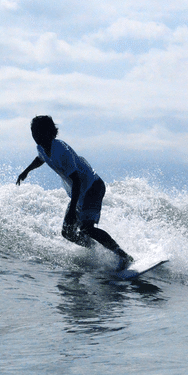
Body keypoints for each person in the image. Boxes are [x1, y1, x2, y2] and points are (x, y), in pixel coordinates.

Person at [16, 115, 133, 270]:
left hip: (92, 187)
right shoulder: (42, 147)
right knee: (68, 233)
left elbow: (77, 181)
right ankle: (97, 250)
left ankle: (124, 256)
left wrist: (72, 209)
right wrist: (26, 171)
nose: (36, 136)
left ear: (50, 132)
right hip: (79, 193)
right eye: (34, 132)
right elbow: (41, 158)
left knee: (87, 228)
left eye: (39, 132)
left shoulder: (61, 151)